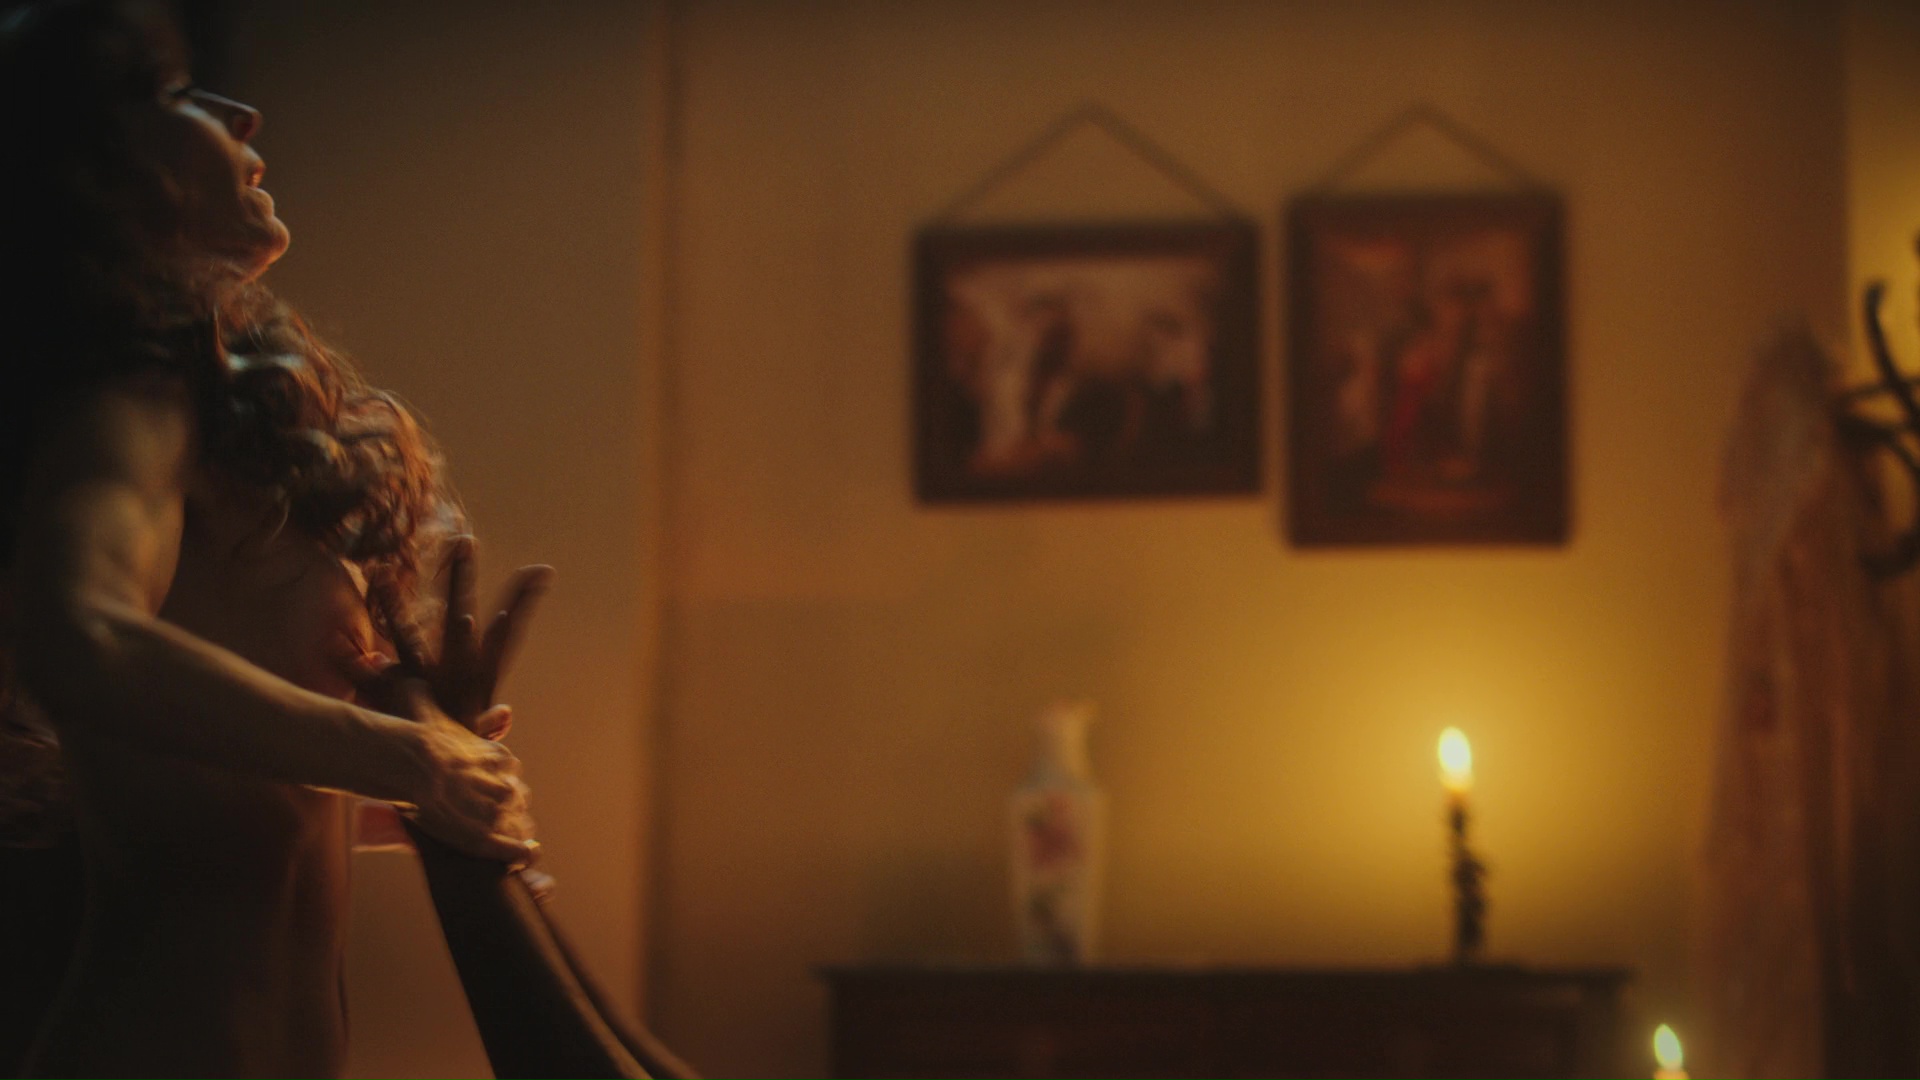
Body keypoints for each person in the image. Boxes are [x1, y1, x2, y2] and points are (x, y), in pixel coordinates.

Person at [0, 3, 544, 1077]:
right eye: (172, 95)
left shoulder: (204, 413)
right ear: (96, 175)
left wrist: (423, 777)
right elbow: (77, 633)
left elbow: (214, 804)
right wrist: (411, 758)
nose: (240, 113)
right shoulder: (133, 392)